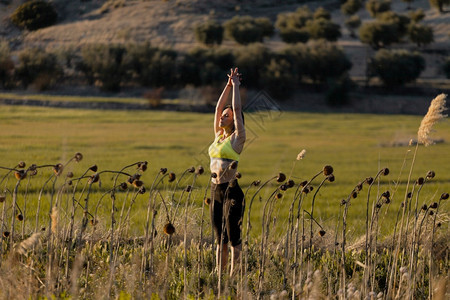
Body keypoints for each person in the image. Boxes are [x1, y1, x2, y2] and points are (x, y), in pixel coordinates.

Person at [208, 67, 246, 276]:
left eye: (226, 115)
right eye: (223, 115)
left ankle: (234, 276)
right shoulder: (217, 136)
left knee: (233, 238)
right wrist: (228, 85)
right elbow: (217, 108)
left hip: (231, 191)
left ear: (233, 120)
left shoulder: (237, 139)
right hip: (215, 191)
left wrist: (237, 88)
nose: (222, 116)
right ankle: (219, 275)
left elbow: (237, 109)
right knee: (219, 238)